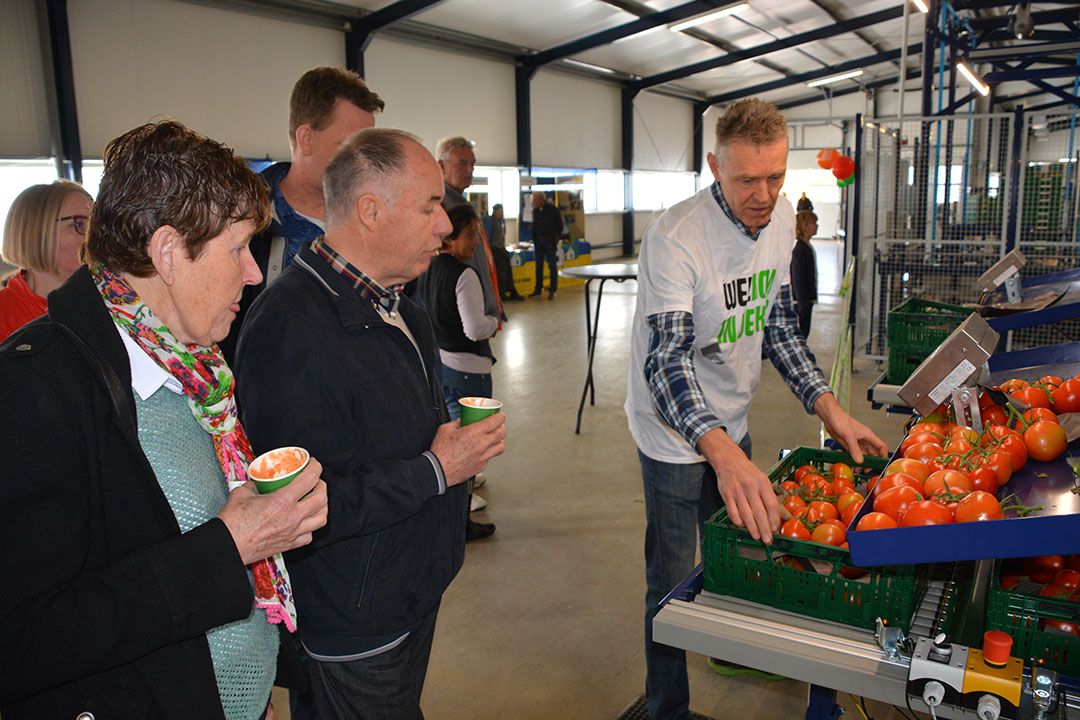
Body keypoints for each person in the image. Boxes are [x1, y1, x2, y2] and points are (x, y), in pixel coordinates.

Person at [0, 120, 329, 720]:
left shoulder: (196, 366)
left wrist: (252, 683)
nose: (255, 273)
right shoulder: (34, 389)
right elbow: (22, 640)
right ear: (168, 252)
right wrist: (232, 544)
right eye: (238, 248)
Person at [624, 98, 888, 720]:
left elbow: (778, 326)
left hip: (731, 426)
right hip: (673, 438)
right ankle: (667, 708)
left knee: (743, 555)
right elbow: (666, 362)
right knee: (670, 583)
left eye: (776, 176)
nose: (765, 195)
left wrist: (829, 409)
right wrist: (720, 455)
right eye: (747, 179)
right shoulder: (676, 240)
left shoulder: (774, 225)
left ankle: (732, 642)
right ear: (715, 166)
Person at [234, 127, 506, 719]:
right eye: (430, 206)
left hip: (412, 586)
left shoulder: (401, 307)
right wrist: (439, 468)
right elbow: (302, 508)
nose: (444, 223)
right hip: (357, 617)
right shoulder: (289, 328)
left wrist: (445, 445)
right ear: (370, 211)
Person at [220, 65, 384, 362]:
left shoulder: (376, 227)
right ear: (306, 139)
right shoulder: (238, 223)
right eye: (348, 147)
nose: (362, 164)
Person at [419, 204, 500, 533]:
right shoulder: (464, 274)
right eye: (469, 235)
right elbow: (474, 328)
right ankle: (463, 522)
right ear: (449, 238)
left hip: (445, 363)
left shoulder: (430, 266)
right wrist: (494, 323)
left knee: (454, 442)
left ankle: (455, 518)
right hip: (469, 371)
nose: (476, 242)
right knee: (469, 447)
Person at [0, 180, 93, 342]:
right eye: (79, 224)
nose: (93, 236)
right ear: (37, 232)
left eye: (95, 224)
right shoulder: (4, 315)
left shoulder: (114, 303)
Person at [436, 135, 502, 319]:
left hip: (475, 310)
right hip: (460, 317)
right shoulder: (441, 208)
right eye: (462, 164)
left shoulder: (462, 205)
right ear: (441, 166)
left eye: (472, 164)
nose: (469, 170)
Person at [484, 203, 524, 301]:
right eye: (501, 211)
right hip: (494, 248)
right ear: (495, 212)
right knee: (501, 270)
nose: (502, 213)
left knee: (508, 268)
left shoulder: (501, 221)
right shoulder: (490, 220)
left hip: (501, 247)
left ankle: (512, 290)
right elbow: (487, 236)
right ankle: (501, 292)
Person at [528, 191, 562, 300]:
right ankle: (538, 289)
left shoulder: (553, 210)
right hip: (538, 242)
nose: (533, 202)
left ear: (541, 199)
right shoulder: (536, 211)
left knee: (552, 265)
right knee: (538, 266)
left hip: (549, 242)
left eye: (535, 200)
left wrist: (554, 239)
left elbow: (559, 226)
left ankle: (553, 289)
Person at [791, 210, 819, 337]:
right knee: (802, 333)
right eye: (814, 223)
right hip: (803, 303)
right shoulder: (800, 250)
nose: (817, 225)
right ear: (804, 226)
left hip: (807, 300)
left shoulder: (807, 246)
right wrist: (803, 305)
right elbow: (799, 280)